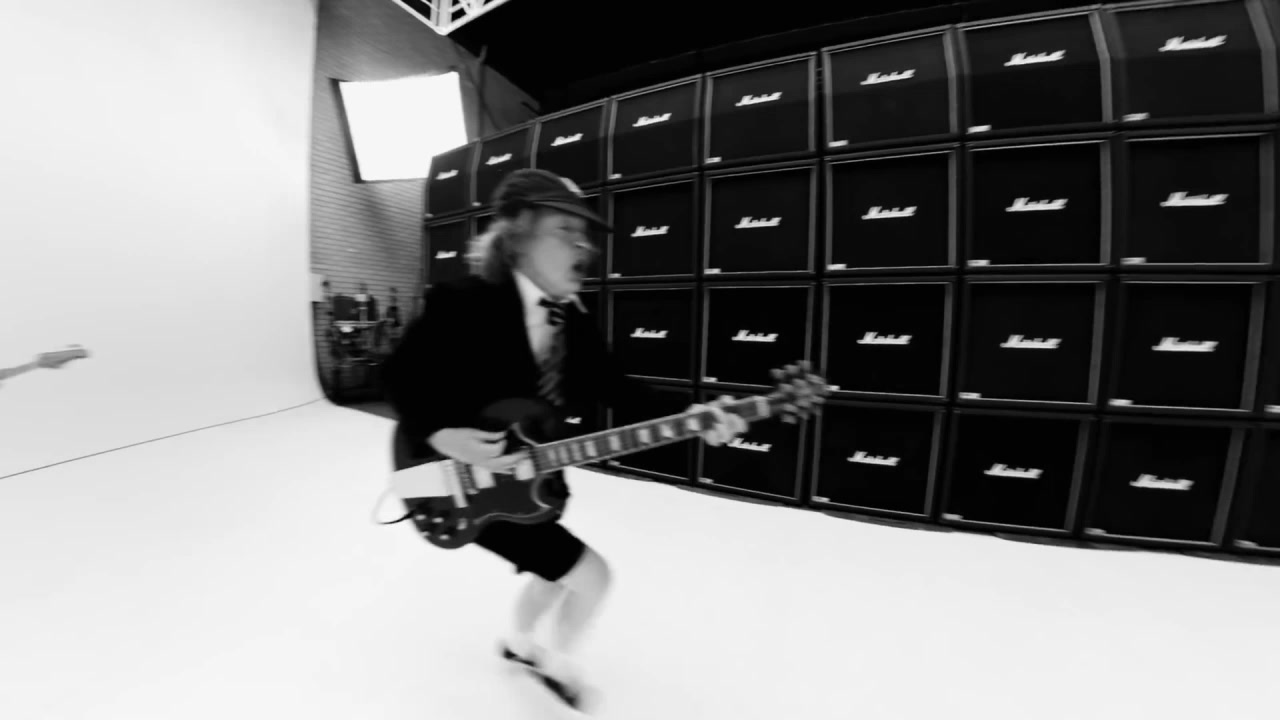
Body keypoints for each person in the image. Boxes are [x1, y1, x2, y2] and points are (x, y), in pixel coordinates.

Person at [380, 168, 747, 710]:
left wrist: (696, 417)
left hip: (531, 483)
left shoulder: (574, 323)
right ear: (519, 234)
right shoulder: (462, 301)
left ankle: (519, 644)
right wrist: (442, 433)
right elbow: (398, 375)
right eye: (565, 231)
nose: (584, 247)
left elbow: (622, 392)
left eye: (585, 236)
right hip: (451, 486)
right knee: (592, 576)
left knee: (553, 573)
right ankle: (559, 667)